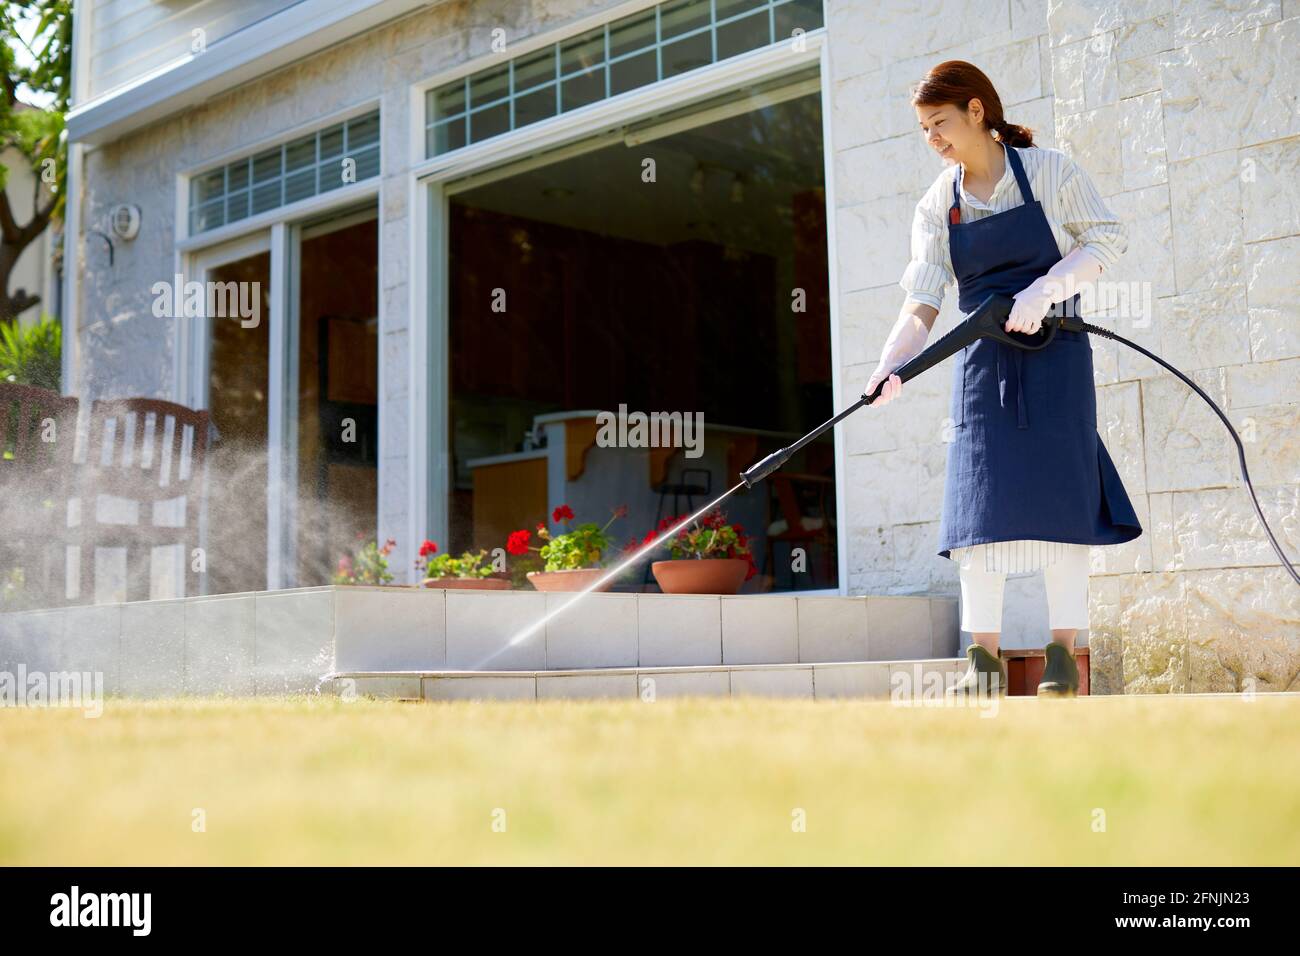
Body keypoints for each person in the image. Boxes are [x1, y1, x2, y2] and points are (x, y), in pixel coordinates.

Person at [864, 60, 1143, 698]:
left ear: (976, 111)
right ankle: (983, 665)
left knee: (1064, 505)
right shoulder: (939, 204)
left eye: (939, 123)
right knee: (977, 511)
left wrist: (1047, 289)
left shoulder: (1048, 171)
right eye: (923, 129)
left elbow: (1107, 239)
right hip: (982, 366)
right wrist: (890, 363)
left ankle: (1065, 660)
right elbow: (923, 301)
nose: (931, 138)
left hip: (1058, 356)